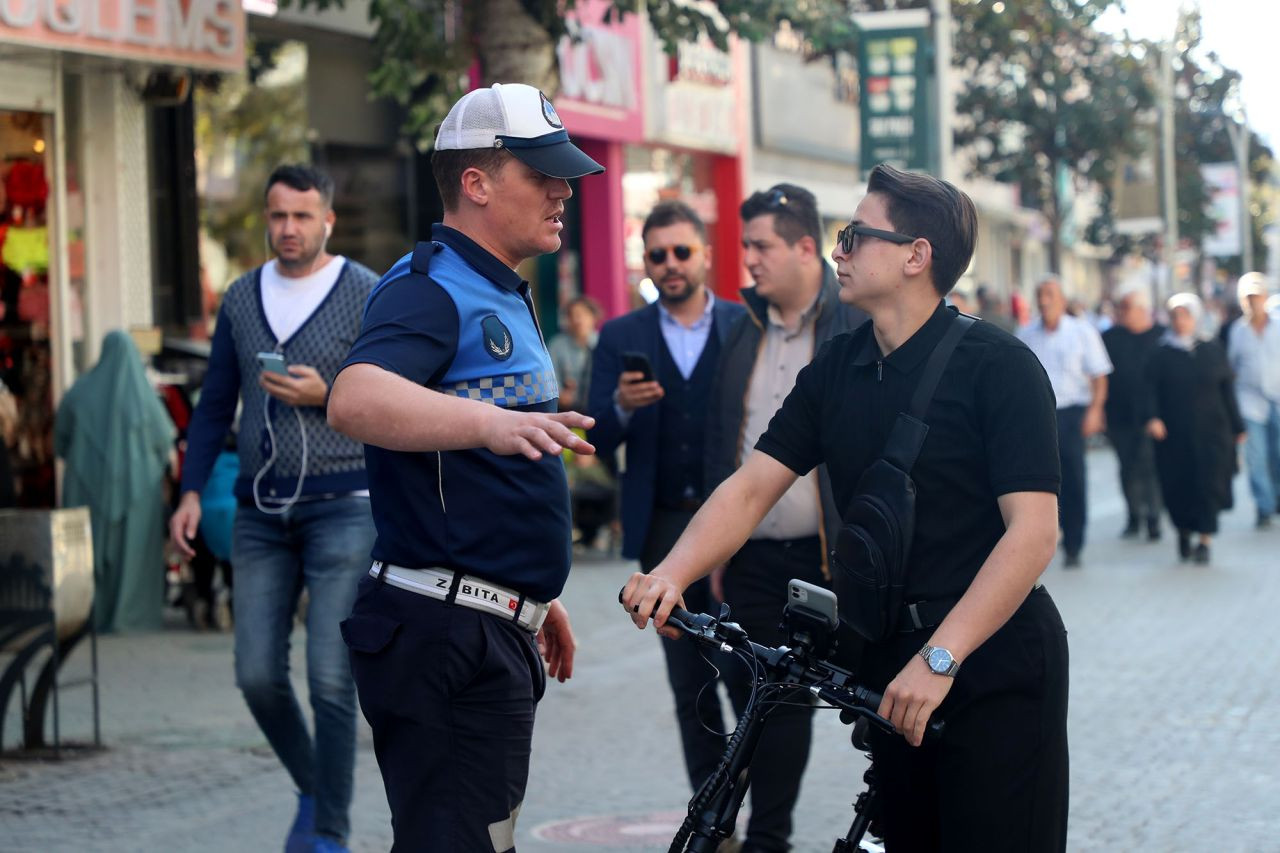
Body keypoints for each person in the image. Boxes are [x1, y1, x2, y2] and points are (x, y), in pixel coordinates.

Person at [623, 164, 1068, 851]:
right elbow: (751, 485)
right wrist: (672, 571)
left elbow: (1034, 533)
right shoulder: (838, 366)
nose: (839, 250)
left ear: (916, 256)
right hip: (891, 668)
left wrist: (941, 657)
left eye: (856, 235)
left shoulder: (1000, 366)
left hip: (993, 664)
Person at [325, 83, 598, 852]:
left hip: (482, 618)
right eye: (540, 173)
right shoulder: (428, 288)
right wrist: (492, 423)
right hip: (445, 633)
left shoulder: (500, 286)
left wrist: (529, 592)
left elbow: (486, 468)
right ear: (475, 183)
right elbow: (353, 397)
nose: (562, 190)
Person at [168, 164, 378, 853]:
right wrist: (191, 490)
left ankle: (330, 833)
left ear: (328, 221)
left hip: (344, 506)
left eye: (302, 215)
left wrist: (329, 393)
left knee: (327, 676)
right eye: (278, 215)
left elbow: (394, 399)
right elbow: (213, 403)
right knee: (256, 673)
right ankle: (315, 783)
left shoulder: (366, 293)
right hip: (260, 507)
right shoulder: (240, 297)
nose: (288, 228)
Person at [702, 183, 866, 852]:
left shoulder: (854, 327)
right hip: (754, 562)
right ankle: (769, 840)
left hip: (832, 560)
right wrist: (717, 549)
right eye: (745, 246)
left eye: (761, 245)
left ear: (806, 248)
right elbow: (725, 442)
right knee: (766, 707)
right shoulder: (742, 329)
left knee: (869, 708)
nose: (749, 261)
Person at [587, 199, 746, 799]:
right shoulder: (620, 336)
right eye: (658, 255)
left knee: (744, 670)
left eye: (682, 251)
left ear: (705, 254)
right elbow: (594, 438)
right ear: (646, 263)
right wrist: (624, 406)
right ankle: (713, 808)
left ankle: (760, 803)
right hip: (661, 530)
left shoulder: (742, 326)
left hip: (737, 530)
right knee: (690, 680)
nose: (671, 264)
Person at [55, 331, 174, 632]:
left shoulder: (79, 392)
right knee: (132, 555)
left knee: (89, 550)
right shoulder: (144, 397)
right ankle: (131, 615)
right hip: (139, 495)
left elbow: (59, 442)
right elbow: (165, 443)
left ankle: (88, 615)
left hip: (86, 489)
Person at [1019, 274, 1113, 567]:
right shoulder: (1026, 333)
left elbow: (1099, 375)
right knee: (1040, 479)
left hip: (1071, 411)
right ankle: (1045, 537)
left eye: (1050, 293)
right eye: (1040, 293)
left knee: (1072, 476)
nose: (1044, 299)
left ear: (1061, 298)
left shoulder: (1081, 331)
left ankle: (1074, 542)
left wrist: (1095, 410)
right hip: (1037, 415)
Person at [1144, 293, 1245, 564]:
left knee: (1209, 483)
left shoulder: (1212, 349)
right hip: (1174, 436)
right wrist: (1152, 417)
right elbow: (1149, 389)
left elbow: (1227, 390)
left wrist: (1238, 426)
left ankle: (1205, 539)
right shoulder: (1160, 353)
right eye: (1175, 316)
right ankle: (1183, 530)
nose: (1180, 321)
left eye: (1185, 315)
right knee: (1178, 485)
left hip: (1212, 432)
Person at [1101, 283, 1166, 541]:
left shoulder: (1161, 336)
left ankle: (1153, 517)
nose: (1122, 312)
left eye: (1127, 307)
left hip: (1152, 416)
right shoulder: (1110, 337)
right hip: (1119, 415)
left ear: (1142, 310)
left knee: (1149, 466)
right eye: (1120, 308)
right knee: (1127, 467)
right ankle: (1133, 515)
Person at [1226, 272, 1280, 529]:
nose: (1253, 302)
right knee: (1256, 456)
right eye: (1248, 298)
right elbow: (1231, 367)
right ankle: (1264, 505)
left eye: (1257, 297)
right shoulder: (1238, 331)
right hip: (1250, 402)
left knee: (1277, 454)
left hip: (1278, 399)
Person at [547, 295, 602, 413]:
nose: (578, 320)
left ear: (593, 316)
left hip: (599, 408)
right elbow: (550, 377)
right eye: (572, 315)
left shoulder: (602, 343)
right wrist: (560, 394)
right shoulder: (557, 345)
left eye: (582, 314)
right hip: (568, 410)